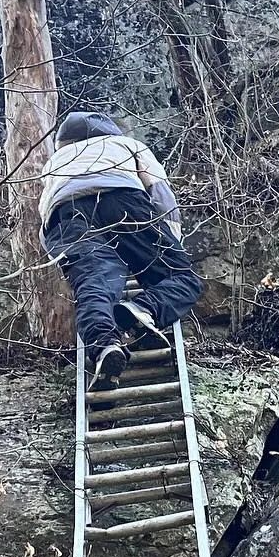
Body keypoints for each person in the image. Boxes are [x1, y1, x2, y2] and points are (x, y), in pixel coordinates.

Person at [38, 111, 204, 387]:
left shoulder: (55, 162)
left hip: (68, 213)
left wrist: (63, 257)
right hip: (123, 200)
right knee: (182, 279)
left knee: (94, 286)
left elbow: (45, 214)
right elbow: (160, 191)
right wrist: (170, 240)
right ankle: (142, 309)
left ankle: (104, 346)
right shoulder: (127, 145)